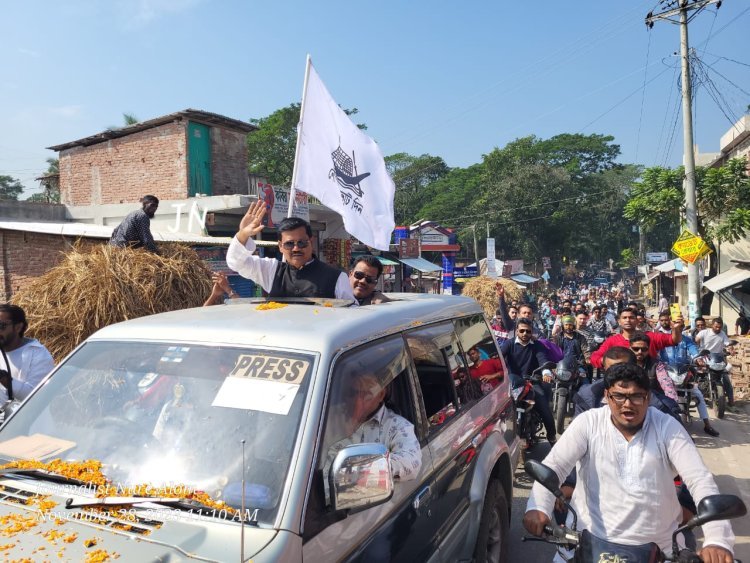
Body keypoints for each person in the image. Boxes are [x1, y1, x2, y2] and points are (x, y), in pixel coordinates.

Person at [523, 362, 735, 561]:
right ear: (607, 396)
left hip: (661, 550)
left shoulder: (667, 427)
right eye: (619, 396)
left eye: (636, 397)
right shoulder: (588, 423)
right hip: (584, 543)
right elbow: (555, 466)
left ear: (648, 397)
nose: (627, 404)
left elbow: (699, 480)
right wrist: (538, 506)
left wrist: (718, 539)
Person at [226, 199, 355, 301]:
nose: (296, 248)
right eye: (289, 244)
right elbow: (236, 263)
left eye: (302, 243)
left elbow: (350, 314)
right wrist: (243, 234)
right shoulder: (271, 270)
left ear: (311, 241)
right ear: (280, 246)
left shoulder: (337, 277)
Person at [325, 372, 421, 483]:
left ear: (381, 395)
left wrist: (363, 471)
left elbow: (410, 461)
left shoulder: (397, 426)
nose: (358, 402)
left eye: (366, 395)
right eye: (353, 393)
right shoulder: (329, 417)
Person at [500, 318, 556, 442]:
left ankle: (552, 438)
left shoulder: (537, 346)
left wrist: (546, 372)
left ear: (532, 332)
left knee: (545, 410)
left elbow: (543, 360)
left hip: (531, 382)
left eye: (528, 331)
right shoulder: (509, 344)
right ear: (517, 331)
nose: (525, 334)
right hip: (512, 383)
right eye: (522, 331)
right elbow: (498, 358)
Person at [659, 324, 720, 437]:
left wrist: (698, 359)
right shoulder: (663, 339)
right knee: (658, 395)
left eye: (679, 328)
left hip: (684, 370)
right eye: (675, 328)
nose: (677, 330)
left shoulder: (687, 340)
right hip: (667, 372)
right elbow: (658, 353)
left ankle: (707, 425)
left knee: (698, 395)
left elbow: (694, 352)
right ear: (672, 328)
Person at [590, 308, 683, 368]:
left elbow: (674, 340)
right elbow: (595, 357)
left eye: (631, 317)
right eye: (624, 318)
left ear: (637, 320)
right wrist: (610, 362)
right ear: (619, 321)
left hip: (648, 383)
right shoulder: (612, 341)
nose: (628, 320)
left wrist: (676, 328)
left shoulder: (650, 336)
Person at [0, 304, 55, 403]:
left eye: (1, 326)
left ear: (18, 327)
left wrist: (4, 379)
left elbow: (38, 397)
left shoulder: (38, 354)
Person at [695, 317, 735, 407]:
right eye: (716, 327)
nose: (718, 329)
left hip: (718, 358)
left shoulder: (722, 334)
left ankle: (731, 399)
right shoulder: (704, 332)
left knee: (725, 377)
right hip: (705, 357)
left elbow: (728, 344)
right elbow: (697, 339)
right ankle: (695, 396)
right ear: (712, 325)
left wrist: (731, 349)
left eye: (719, 327)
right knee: (698, 374)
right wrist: (697, 344)